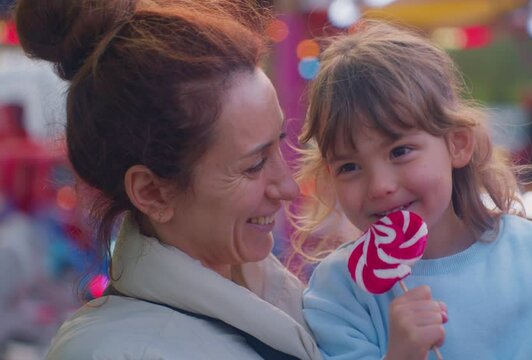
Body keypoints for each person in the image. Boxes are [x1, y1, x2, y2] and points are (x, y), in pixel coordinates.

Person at [294, 20, 532, 360]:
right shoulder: (339, 291)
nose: (380, 186)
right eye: (349, 167)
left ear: (457, 145)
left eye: (400, 151)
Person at [15, 0, 321, 359]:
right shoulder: (116, 352)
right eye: (253, 166)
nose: (288, 187)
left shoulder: (281, 294)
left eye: (279, 144)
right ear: (152, 193)